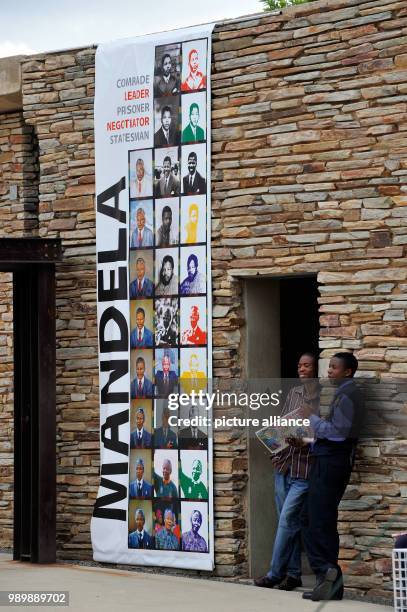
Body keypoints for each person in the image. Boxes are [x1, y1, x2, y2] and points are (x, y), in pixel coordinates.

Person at [301, 352, 363, 602]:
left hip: (331, 465)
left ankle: (327, 578)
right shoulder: (345, 394)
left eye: (334, 368)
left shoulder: (348, 396)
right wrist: (309, 441)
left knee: (316, 520)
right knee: (316, 519)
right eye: (329, 367)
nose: (329, 371)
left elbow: (338, 434)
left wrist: (311, 417)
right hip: (328, 461)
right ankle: (329, 582)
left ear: (347, 372)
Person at [255, 353, 320, 592]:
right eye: (300, 365)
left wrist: (309, 422)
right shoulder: (293, 393)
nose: (302, 369)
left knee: (286, 521)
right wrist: (273, 447)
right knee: (288, 522)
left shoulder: (323, 397)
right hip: (284, 465)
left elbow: (326, 433)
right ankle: (293, 575)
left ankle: (275, 573)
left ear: (316, 369)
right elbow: (281, 424)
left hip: (304, 470)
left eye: (307, 365)